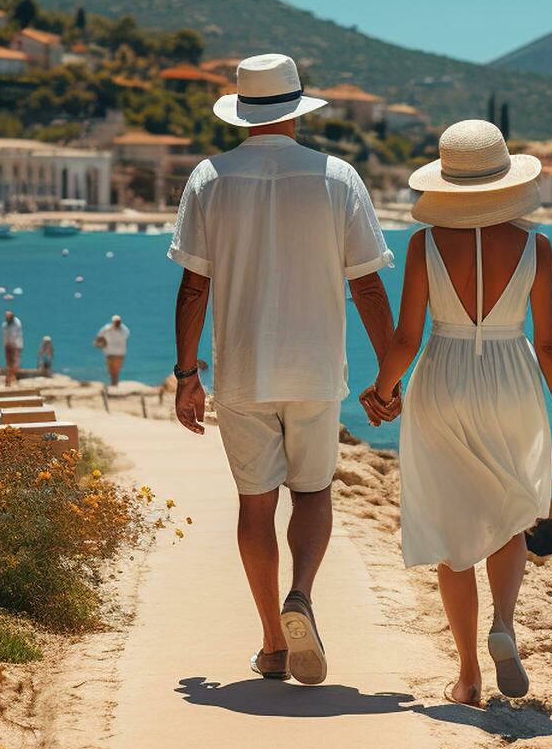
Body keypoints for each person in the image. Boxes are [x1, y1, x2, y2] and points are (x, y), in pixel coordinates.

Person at [170, 53, 397, 686]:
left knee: (254, 505)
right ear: (297, 109)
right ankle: (301, 595)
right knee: (314, 491)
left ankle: (272, 641)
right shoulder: (338, 177)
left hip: (241, 374)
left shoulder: (209, 178)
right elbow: (369, 289)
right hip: (316, 371)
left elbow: (194, 288)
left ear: (243, 112)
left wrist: (187, 374)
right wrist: (389, 376)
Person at [364, 119, 552, 708]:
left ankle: (467, 676)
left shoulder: (424, 245)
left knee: (453, 529)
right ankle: (504, 624)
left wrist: (382, 389)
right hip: (512, 376)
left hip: (444, 377)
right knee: (509, 512)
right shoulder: (536, 246)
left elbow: (406, 337)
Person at [94, 315, 129, 385]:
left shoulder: (123, 329)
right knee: (111, 370)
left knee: (115, 371)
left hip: (118, 353)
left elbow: (99, 336)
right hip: (112, 353)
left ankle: (114, 384)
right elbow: (99, 337)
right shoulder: (108, 328)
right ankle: (114, 383)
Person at [1, 310, 23, 386]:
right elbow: (4, 336)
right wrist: (6, 345)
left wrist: (14, 346)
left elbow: (16, 336)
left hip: (15, 346)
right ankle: (9, 379)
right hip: (8, 346)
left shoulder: (17, 323)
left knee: (15, 363)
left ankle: (13, 378)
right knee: (9, 363)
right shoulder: (4, 325)